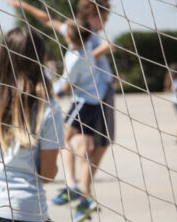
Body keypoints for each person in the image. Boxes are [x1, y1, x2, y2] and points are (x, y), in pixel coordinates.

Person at [6, 0, 115, 219]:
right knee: (81, 146)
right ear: (92, 15)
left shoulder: (80, 36)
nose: (105, 23)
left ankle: (81, 193)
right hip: (95, 97)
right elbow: (46, 19)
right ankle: (79, 192)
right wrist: (23, 5)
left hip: (96, 96)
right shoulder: (83, 35)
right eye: (103, 18)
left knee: (95, 147)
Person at [0, 27, 64, 222]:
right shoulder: (48, 109)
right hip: (25, 210)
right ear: (42, 58)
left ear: (2, 58)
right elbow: (47, 175)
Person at [52, 20, 111, 221]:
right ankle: (86, 200)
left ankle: (72, 186)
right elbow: (72, 29)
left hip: (84, 102)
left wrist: (51, 89)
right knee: (84, 150)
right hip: (96, 99)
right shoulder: (86, 43)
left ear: (69, 38)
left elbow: (66, 87)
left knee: (62, 136)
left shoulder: (74, 59)